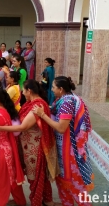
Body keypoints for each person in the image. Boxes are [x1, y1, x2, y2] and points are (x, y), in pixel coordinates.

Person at [0, 79, 59, 206]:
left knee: (35, 177)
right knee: (39, 176)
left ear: (29, 91)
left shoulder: (37, 106)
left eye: (24, 90)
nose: (22, 92)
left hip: (35, 148)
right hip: (29, 146)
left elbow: (23, 127)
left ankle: (38, 201)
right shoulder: (29, 103)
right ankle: (48, 200)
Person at [32, 76, 94, 206]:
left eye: (54, 87)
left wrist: (42, 114)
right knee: (64, 187)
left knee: (75, 186)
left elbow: (61, 128)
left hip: (70, 152)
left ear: (61, 89)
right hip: (65, 149)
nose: (52, 90)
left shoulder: (67, 103)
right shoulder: (65, 99)